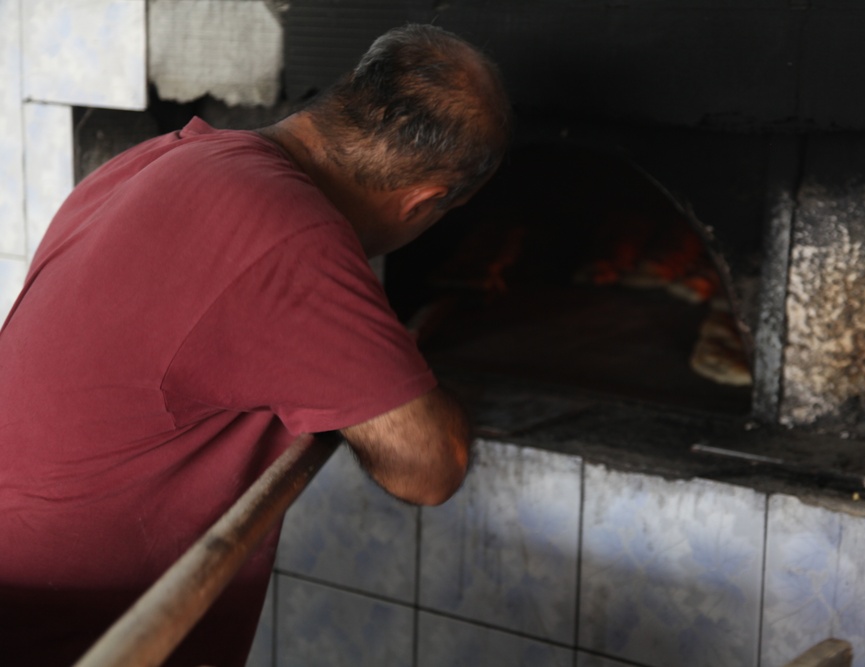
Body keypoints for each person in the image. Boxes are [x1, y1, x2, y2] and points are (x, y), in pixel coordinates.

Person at [0, 24, 510, 667]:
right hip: (69, 635)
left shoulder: (166, 154)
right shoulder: (288, 233)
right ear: (425, 202)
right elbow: (430, 468)